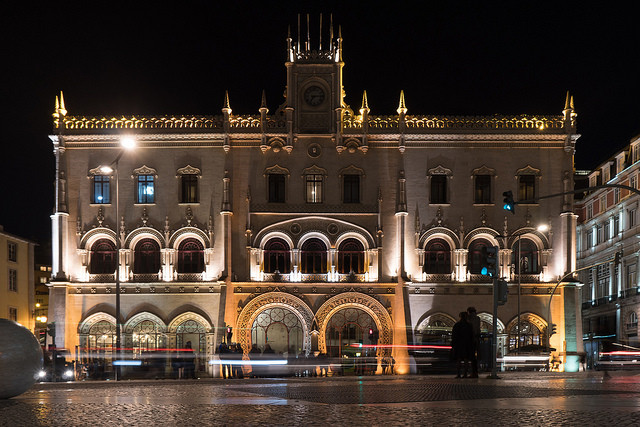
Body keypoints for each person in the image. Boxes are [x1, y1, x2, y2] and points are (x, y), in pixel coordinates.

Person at [452, 311, 473, 378]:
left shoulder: (457, 325)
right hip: (467, 344)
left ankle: (458, 374)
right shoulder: (469, 325)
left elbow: (454, 335)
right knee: (466, 360)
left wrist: (453, 344)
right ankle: (465, 374)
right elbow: (471, 335)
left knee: (459, 359)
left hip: (459, 344)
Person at [467, 306, 481, 378]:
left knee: (469, 357)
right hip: (476, 339)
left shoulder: (468, 318)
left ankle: (472, 372)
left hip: (470, 339)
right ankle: (475, 372)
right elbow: (478, 329)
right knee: (474, 357)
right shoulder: (478, 318)